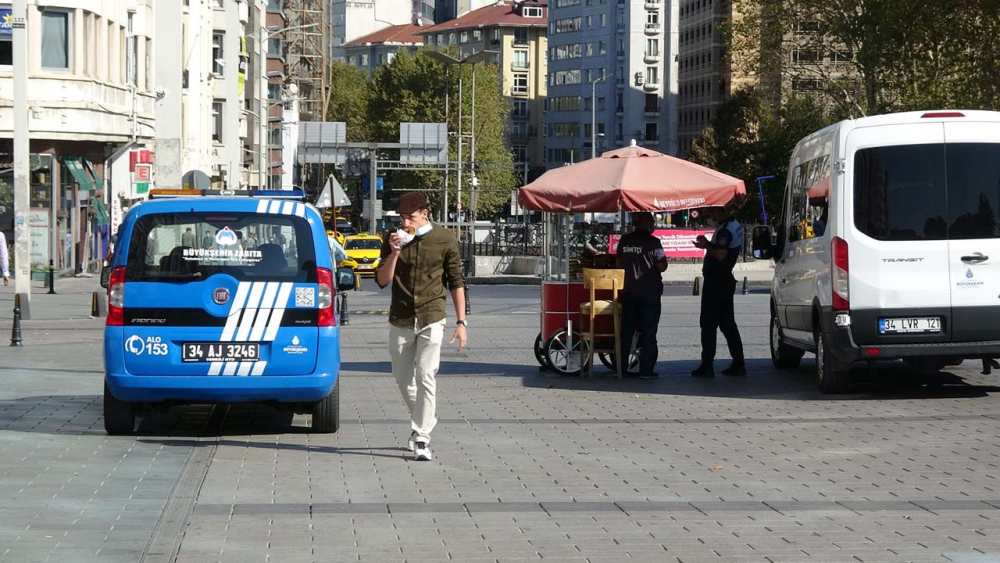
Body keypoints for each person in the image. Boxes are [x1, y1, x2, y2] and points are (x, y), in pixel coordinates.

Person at [375, 192, 466, 462]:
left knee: (426, 375)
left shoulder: (444, 239)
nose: (405, 222)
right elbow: (381, 280)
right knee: (403, 379)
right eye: (401, 217)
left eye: (410, 216)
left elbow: (456, 281)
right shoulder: (392, 239)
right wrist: (394, 252)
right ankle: (426, 417)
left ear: (425, 213)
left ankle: (422, 436)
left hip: (432, 315)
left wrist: (461, 322)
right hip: (401, 317)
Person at [691, 206, 746, 377]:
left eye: (712, 212)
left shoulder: (726, 230)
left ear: (722, 211)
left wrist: (707, 245)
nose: (709, 216)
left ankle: (707, 365)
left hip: (717, 282)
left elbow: (721, 255)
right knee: (728, 324)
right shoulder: (732, 225)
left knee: (708, 324)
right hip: (724, 281)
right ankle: (738, 363)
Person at [616, 212, 667, 378]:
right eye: (651, 221)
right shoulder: (653, 242)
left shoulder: (624, 241)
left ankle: (621, 368)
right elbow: (661, 266)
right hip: (649, 293)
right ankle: (646, 370)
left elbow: (618, 263)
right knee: (649, 331)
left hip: (628, 291)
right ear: (646, 223)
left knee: (627, 332)